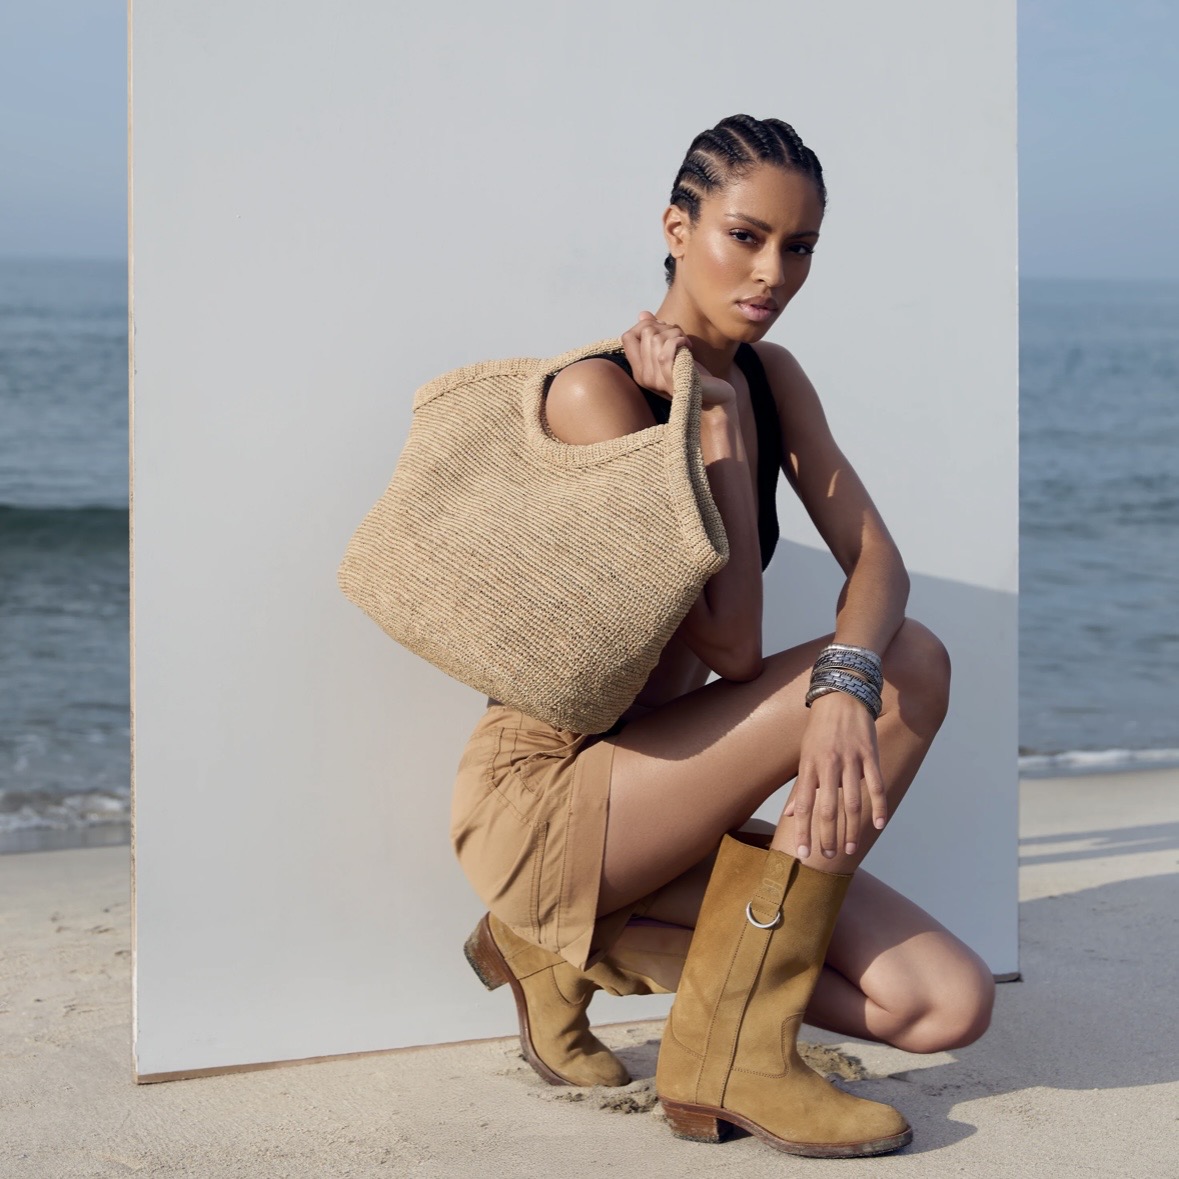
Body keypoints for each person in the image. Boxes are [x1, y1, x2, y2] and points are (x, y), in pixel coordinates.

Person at [450, 113, 994, 1159]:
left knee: (943, 1003)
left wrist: (841, 682)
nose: (773, 272)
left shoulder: (771, 377)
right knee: (912, 662)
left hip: (670, 790)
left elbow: (879, 563)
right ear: (676, 227)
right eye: (745, 236)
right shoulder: (598, 395)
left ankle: (559, 957)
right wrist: (709, 429)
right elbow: (733, 645)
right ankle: (732, 1051)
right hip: (551, 796)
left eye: (800, 246)